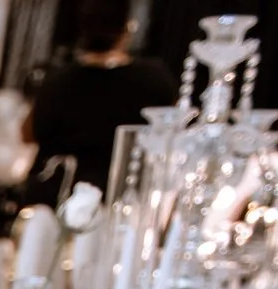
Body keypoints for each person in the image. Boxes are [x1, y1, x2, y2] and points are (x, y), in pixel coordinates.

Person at [23, 0, 180, 191]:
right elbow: (175, 130)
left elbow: (28, 134)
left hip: (60, 191)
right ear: (127, 28)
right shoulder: (155, 78)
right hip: (124, 189)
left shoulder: (57, 81)